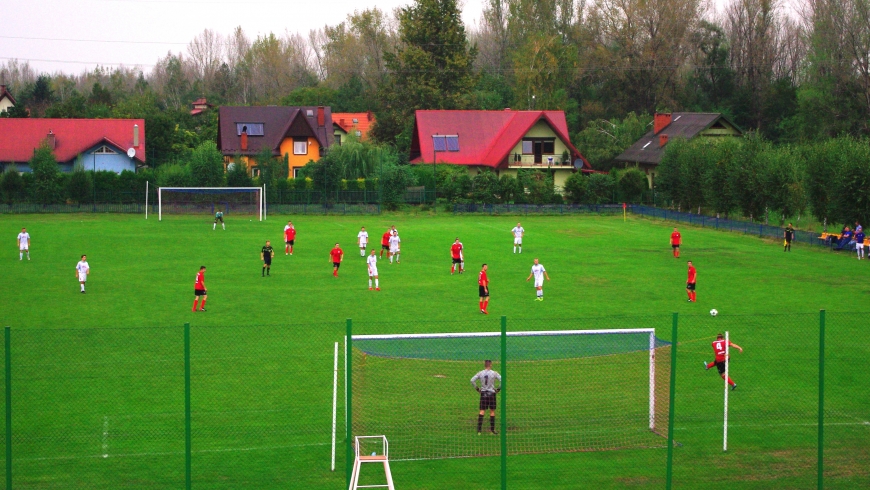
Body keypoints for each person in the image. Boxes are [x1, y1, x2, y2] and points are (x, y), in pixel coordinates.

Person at [470, 360, 501, 435]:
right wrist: (498, 389)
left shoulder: (480, 373)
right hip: (492, 394)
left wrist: (477, 388)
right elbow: (502, 380)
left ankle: (479, 430)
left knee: (482, 411)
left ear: (484, 365)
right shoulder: (494, 373)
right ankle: (492, 430)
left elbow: (472, 380)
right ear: (490, 365)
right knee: (492, 411)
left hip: (483, 394)